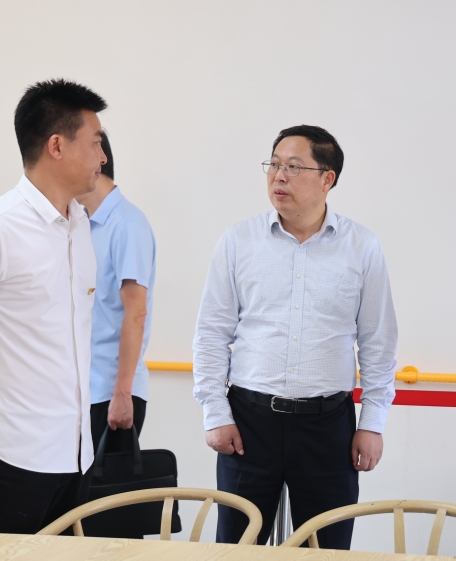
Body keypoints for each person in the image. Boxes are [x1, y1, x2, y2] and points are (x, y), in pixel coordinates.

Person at [193, 125, 398, 549]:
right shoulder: (239, 240)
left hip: (328, 427)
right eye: (273, 165)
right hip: (248, 423)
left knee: (326, 549)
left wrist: (372, 422)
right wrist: (215, 412)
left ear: (327, 179)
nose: (279, 176)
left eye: (293, 166)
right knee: (236, 548)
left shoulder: (362, 247)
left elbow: (378, 343)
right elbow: (212, 332)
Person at [0, 79, 107, 534]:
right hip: (6, 457)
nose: (103, 157)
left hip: (73, 454)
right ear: (57, 146)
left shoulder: (79, 224)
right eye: (95, 142)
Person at [75, 131, 156, 454]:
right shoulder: (80, 223)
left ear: (97, 160)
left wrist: (122, 393)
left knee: (107, 488)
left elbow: (136, 313)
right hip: (83, 391)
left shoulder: (127, 225)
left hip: (111, 394)